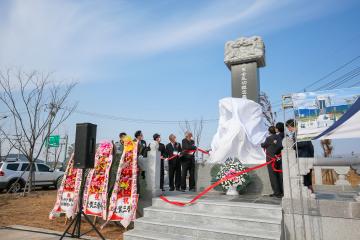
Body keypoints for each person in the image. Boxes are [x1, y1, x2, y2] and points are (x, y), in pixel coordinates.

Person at [286, 119, 314, 191]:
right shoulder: (301, 132)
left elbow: (304, 143)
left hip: (303, 157)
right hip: (306, 156)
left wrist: (292, 145)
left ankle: (308, 192)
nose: (289, 130)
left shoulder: (299, 133)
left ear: (290, 126)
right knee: (306, 177)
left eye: (288, 127)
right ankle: (309, 191)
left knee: (305, 177)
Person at [262, 126, 283, 198]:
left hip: (271, 159)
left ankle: (277, 192)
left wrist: (262, 144)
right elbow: (280, 146)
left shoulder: (269, 138)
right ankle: (281, 191)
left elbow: (264, 145)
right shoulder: (279, 137)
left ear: (269, 132)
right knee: (279, 175)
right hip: (278, 158)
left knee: (273, 175)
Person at [108, 132, 126, 200]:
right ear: (121, 137)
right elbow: (116, 153)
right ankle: (109, 195)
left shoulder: (126, 145)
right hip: (115, 166)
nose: (125, 138)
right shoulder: (117, 144)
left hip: (122, 166)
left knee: (121, 181)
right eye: (124, 137)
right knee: (113, 180)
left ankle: (118, 195)